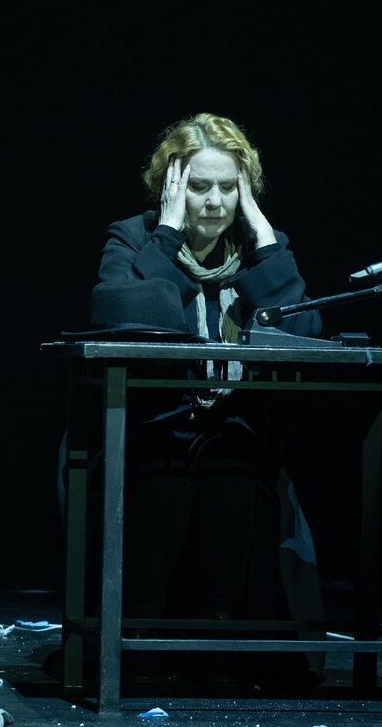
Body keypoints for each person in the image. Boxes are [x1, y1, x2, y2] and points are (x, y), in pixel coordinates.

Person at [92, 112, 325, 689]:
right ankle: (139, 648)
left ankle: (219, 648)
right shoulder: (134, 238)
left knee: (233, 479)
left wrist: (264, 237)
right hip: (149, 423)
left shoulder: (261, 249)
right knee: (164, 484)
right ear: (170, 186)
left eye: (228, 186)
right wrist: (168, 237)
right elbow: (132, 314)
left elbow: (304, 333)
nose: (216, 202)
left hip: (231, 426)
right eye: (199, 186)